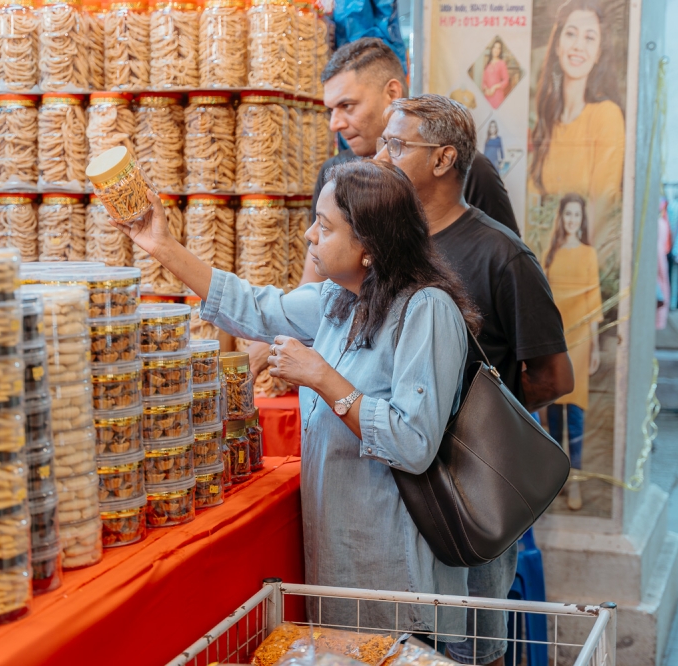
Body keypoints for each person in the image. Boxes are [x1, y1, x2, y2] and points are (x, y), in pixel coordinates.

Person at [113, 159, 481, 638]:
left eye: (324, 226)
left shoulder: (425, 311)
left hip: (397, 560)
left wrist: (324, 379)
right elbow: (254, 307)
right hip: (341, 552)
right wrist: (160, 244)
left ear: (368, 245)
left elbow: (412, 443)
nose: (309, 235)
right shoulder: (340, 300)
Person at [374, 94, 573, 666]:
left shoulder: (502, 256)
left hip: (466, 488)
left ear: (442, 159)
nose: (384, 157)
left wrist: (470, 410)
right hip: (400, 474)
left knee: (467, 644)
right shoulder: (391, 246)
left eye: (397, 145)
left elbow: (555, 375)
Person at [315, 37, 519, 236]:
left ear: (393, 93)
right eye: (331, 110)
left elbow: (504, 257)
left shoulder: (469, 170)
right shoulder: (334, 174)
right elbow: (317, 263)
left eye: (347, 106)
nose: (335, 124)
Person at [530, 0, 624, 231]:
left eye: (590, 38)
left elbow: (602, 206)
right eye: (571, 34)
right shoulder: (546, 118)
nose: (578, 46)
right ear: (557, 44)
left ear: (599, 53)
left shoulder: (607, 116)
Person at [543, 193, 603, 511]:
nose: (571, 220)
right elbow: (541, 301)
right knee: (553, 415)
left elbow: (593, 302)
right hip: (555, 343)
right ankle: (556, 480)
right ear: (561, 218)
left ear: (582, 220)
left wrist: (594, 347)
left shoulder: (589, 255)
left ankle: (575, 480)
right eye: (567, 214)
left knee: (576, 415)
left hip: (579, 343)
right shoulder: (549, 256)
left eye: (576, 215)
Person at [482, 39, 510, 108]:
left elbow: (506, 80)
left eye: (498, 48)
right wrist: (486, 89)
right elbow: (483, 81)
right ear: (492, 49)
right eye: (495, 47)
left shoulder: (501, 63)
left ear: (500, 51)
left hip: (497, 96)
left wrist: (494, 87)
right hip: (487, 96)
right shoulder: (488, 64)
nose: (496, 50)